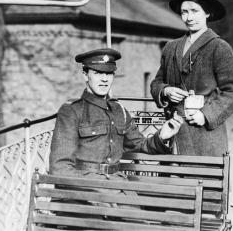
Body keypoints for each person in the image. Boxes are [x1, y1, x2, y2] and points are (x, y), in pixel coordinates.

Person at [49, 47, 183, 179]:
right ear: (85, 75)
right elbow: (60, 168)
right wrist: (97, 186)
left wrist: (162, 135)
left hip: (116, 184)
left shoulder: (120, 111)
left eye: (109, 73)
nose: (104, 79)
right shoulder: (72, 111)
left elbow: (140, 145)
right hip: (85, 191)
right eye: (97, 73)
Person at [150, 0, 233, 157]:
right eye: (184, 12)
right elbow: (157, 82)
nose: (189, 17)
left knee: (203, 181)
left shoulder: (219, 47)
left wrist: (206, 115)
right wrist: (165, 91)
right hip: (173, 131)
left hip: (204, 137)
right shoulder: (171, 47)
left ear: (208, 13)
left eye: (195, 11)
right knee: (174, 180)